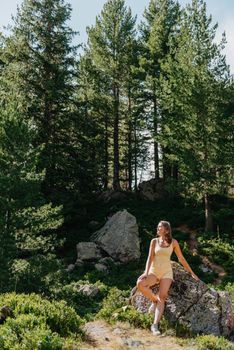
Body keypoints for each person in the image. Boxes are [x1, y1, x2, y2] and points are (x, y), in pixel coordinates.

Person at [137, 220, 199, 335]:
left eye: (160, 227)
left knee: (163, 296)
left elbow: (181, 258)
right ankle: (154, 300)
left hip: (166, 272)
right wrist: (145, 272)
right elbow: (149, 258)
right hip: (154, 271)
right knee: (140, 283)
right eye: (158, 226)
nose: (157, 228)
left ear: (166, 230)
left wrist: (191, 273)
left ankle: (155, 325)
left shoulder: (174, 242)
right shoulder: (154, 241)